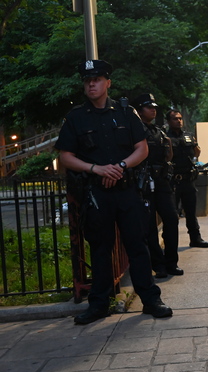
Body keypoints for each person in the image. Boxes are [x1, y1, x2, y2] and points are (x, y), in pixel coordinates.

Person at [55, 60, 173, 324]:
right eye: (87, 81)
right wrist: (97, 169)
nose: (91, 84)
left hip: (127, 190)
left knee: (137, 246)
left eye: (96, 80)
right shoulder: (76, 117)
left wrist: (119, 167)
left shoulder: (125, 112)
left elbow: (141, 149)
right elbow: (66, 156)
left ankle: (151, 300)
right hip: (97, 194)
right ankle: (99, 305)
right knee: (100, 249)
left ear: (107, 83)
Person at [131, 93, 183, 278]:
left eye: (154, 107)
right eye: (148, 107)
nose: (153, 109)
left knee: (171, 219)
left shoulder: (158, 131)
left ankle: (171, 262)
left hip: (161, 181)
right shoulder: (134, 130)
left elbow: (167, 155)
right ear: (138, 110)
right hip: (143, 182)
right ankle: (158, 265)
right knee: (149, 226)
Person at [165, 109, 208, 248]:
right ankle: (170, 244)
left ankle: (195, 238)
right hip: (173, 180)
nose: (178, 121)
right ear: (168, 121)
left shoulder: (188, 135)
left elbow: (197, 153)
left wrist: (195, 145)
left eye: (180, 118)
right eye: (175, 119)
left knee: (191, 212)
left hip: (188, 179)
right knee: (172, 215)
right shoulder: (165, 136)